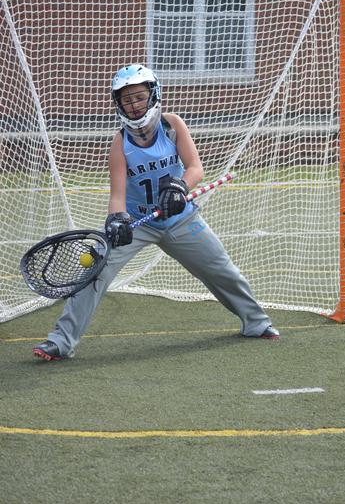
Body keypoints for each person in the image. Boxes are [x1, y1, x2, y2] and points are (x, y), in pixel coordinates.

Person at [33, 64, 279, 361]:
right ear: (119, 104)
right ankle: (60, 342)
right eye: (127, 100)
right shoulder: (119, 142)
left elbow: (195, 168)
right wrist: (117, 220)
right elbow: (117, 196)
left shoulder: (172, 125)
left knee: (221, 269)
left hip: (180, 218)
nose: (134, 105)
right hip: (139, 223)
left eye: (139, 97)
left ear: (153, 95)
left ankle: (256, 322)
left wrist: (180, 188)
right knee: (94, 273)